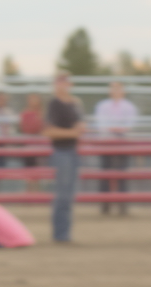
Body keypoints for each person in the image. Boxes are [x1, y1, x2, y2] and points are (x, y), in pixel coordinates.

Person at [43, 71, 85, 243]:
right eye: (60, 82)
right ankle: (60, 234)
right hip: (62, 152)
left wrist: (77, 130)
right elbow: (49, 131)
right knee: (63, 194)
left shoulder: (75, 103)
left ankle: (64, 233)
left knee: (68, 194)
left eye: (65, 81)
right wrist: (73, 133)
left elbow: (81, 125)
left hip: (72, 151)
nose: (63, 85)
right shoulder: (54, 104)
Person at [94, 81, 137, 215]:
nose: (116, 91)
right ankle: (105, 205)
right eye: (113, 88)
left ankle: (122, 205)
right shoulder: (102, 106)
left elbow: (131, 123)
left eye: (118, 88)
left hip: (122, 143)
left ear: (123, 91)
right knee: (105, 175)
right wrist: (116, 129)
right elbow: (100, 123)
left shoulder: (129, 106)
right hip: (106, 143)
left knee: (122, 174)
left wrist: (119, 129)